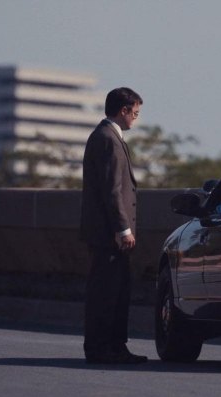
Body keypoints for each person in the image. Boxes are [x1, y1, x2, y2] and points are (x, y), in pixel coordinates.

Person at [79, 87, 146, 364]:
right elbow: (112, 190)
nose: (136, 119)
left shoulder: (107, 137)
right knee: (106, 294)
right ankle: (101, 348)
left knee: (117, 292)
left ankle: (116, 346)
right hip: (109, 235)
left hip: (109, 234)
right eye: (136, 113)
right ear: (124, 111)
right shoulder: (108, 139)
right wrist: (123, 229)